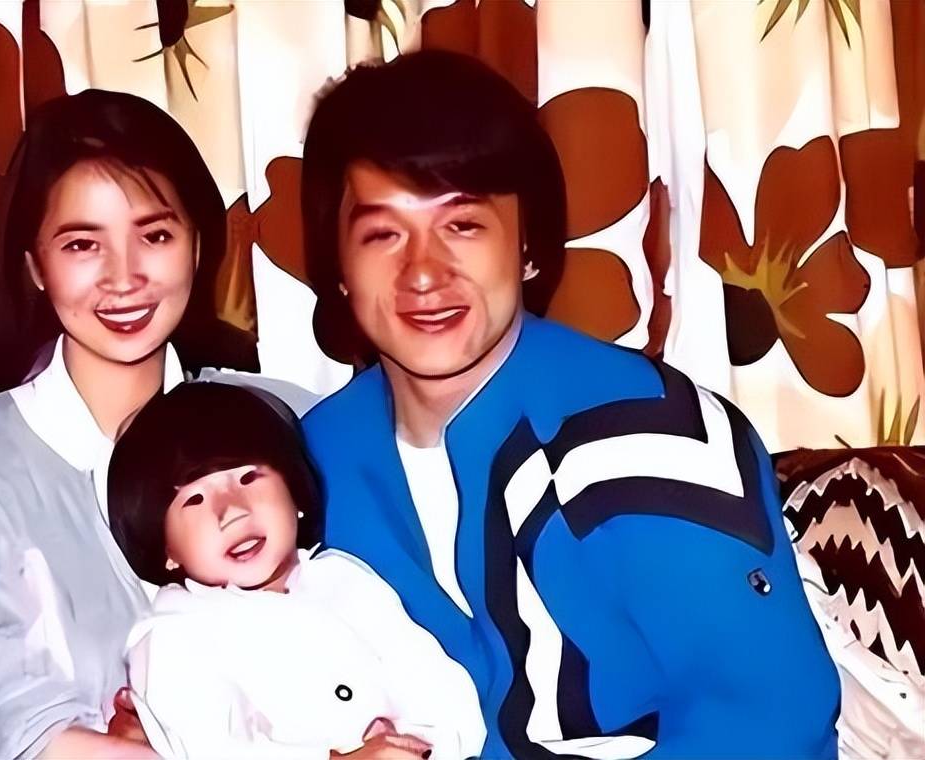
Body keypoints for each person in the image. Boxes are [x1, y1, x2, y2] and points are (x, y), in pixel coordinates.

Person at [298, 51, 841, 759]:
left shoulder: (653, 432)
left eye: (463, 226)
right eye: (382, 234)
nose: (423, 273)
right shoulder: (308, 461)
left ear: (527, 246)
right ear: (338, 265)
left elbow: (770, 718)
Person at [0, 90, 308, 760]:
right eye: (83, 244)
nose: (124, 277)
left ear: (198, 245)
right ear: (34, 264)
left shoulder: (287, 422)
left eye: (155, 235)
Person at [107, 382, 485, 760]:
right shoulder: (175, 636)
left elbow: (442, 692)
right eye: (195, 499)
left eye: (248, 478)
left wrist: (419, 747)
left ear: (294, 492)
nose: (232, 510)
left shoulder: (345, 581)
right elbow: (216, 749)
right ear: (166, 549)